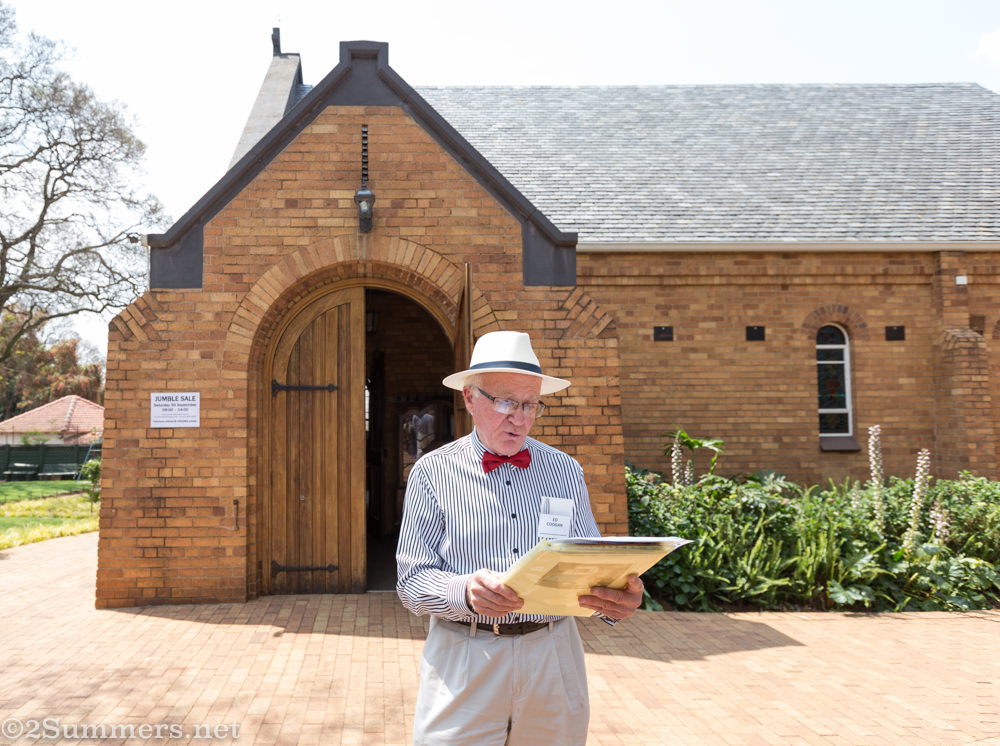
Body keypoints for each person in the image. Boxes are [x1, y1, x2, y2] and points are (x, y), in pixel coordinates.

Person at [396, 330, 643, 746]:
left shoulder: (565, 470)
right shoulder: (432, 473)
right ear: (471, 399)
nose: (520, 418)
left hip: (554, 656)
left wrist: (615, 600)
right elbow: (411, 583)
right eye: (507, 402)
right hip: (466, 656)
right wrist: (464, 590)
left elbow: (588, 560)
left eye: (530, 405)